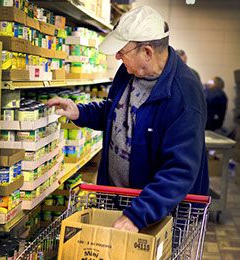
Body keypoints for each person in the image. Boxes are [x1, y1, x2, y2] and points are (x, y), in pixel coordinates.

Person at [48, 6, 209, 232]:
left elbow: (179, 170)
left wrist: (137, 215)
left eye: (122, 51)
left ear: (147, 52)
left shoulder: (183, 94)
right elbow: (116, 112)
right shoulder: (128, 72)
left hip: (160, 212)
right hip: (120, 199)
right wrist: (80, 112)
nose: (117, 57)